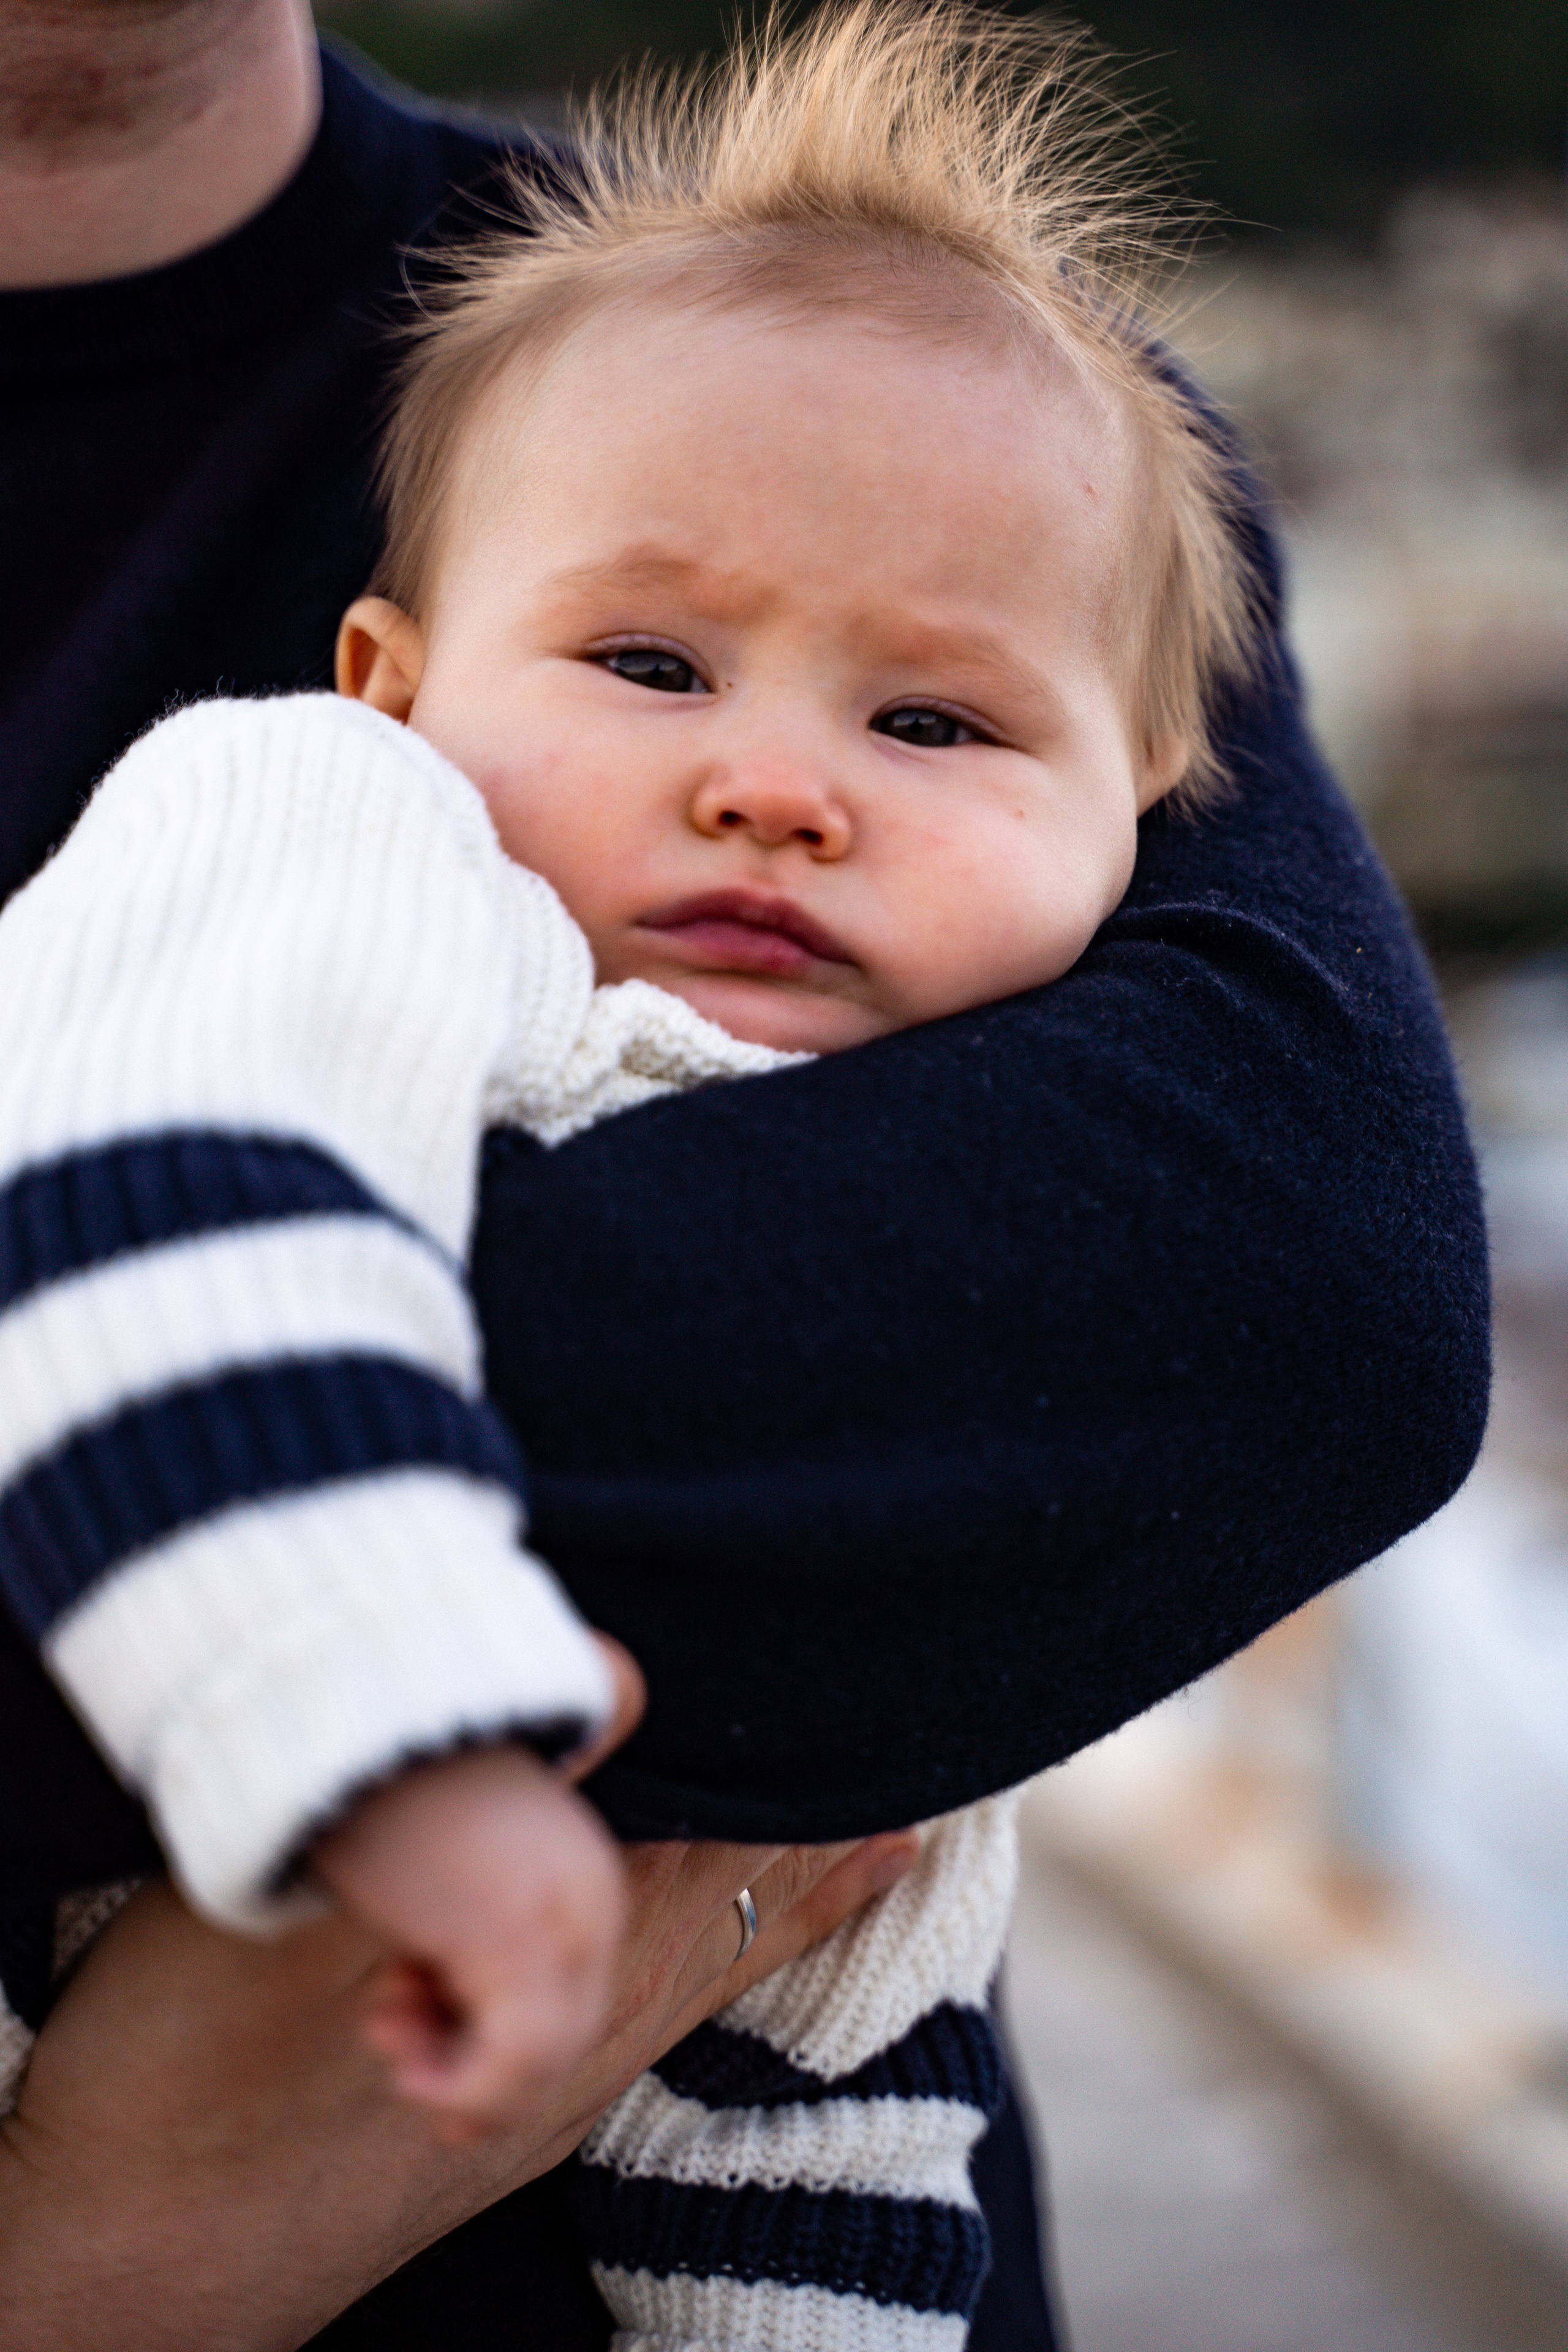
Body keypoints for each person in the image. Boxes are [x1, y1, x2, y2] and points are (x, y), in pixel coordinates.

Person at [0, 0, 1489, 2340]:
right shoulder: (311, 825)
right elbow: (157, 1234)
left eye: (927, 723)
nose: (782, 786)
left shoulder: (957, 411)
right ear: (380, 678)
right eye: (652, 667)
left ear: (1153, 808)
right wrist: (400, 1756)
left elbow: (1317, 1304)